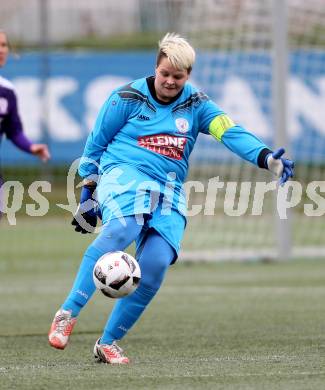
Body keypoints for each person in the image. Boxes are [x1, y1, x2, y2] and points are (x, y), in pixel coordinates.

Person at [48, 33, 294, 364]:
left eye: (178, 77)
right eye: (165, 74)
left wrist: (267, 159)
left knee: (156, 264)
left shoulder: (198, 105)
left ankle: (108, 343)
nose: (170, 81)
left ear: (188, 75)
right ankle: (68, 313)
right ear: (156, 67)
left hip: (169, 190)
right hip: (124, 176)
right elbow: (94, 147)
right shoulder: (126, 98)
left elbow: (230, 132)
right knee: (123, 229)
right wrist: (87, 196)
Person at [0, 30, 50, 163]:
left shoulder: (7, 91)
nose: (1, 50)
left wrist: (31, 146)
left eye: (4, 45)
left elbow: (13, 130)